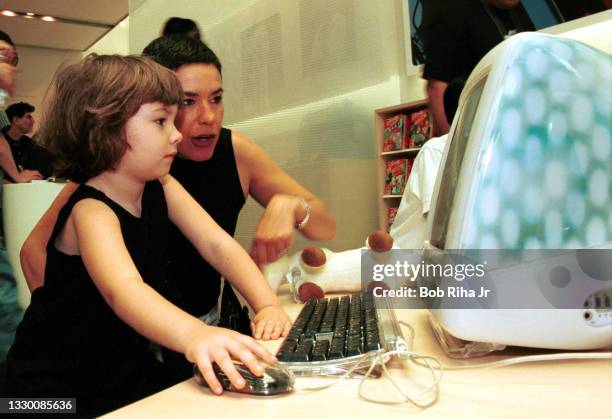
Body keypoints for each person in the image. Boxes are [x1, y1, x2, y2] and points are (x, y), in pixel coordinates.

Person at [21, 35, 334, 380]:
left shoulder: (162, 185)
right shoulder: (91, 210)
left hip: (122, 360)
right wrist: (195, 334)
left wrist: (267, 305)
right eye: (160, 122)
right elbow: (124, 288)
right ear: (106, 130)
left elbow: (217, 245)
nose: (175, 135)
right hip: (58, 378)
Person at [422, 0, 534, 136]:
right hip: (476, 135)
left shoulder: (516, 12)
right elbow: (436, 88)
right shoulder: (451, 13)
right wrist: (452, 146)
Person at [2, 102, 54, 179]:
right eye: (28, 117)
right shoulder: (2, 142)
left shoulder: (30, 143)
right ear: (15, 120)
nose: (33, 121)